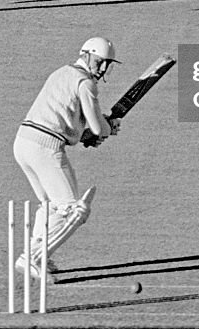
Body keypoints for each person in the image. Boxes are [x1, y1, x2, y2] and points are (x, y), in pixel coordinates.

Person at [12, 37, 121, 279]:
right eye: (100, 61)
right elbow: (97, 127)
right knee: (74, 210)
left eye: (107, 64)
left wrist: (88, 133)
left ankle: (38, 254)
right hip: (45, 148)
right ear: (86, 55)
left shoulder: (61, 72)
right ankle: (33, 258)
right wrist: (108, 127)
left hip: (23, 142)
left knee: (50, 205)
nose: (102, 68)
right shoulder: (86, 83)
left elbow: (66, 117)